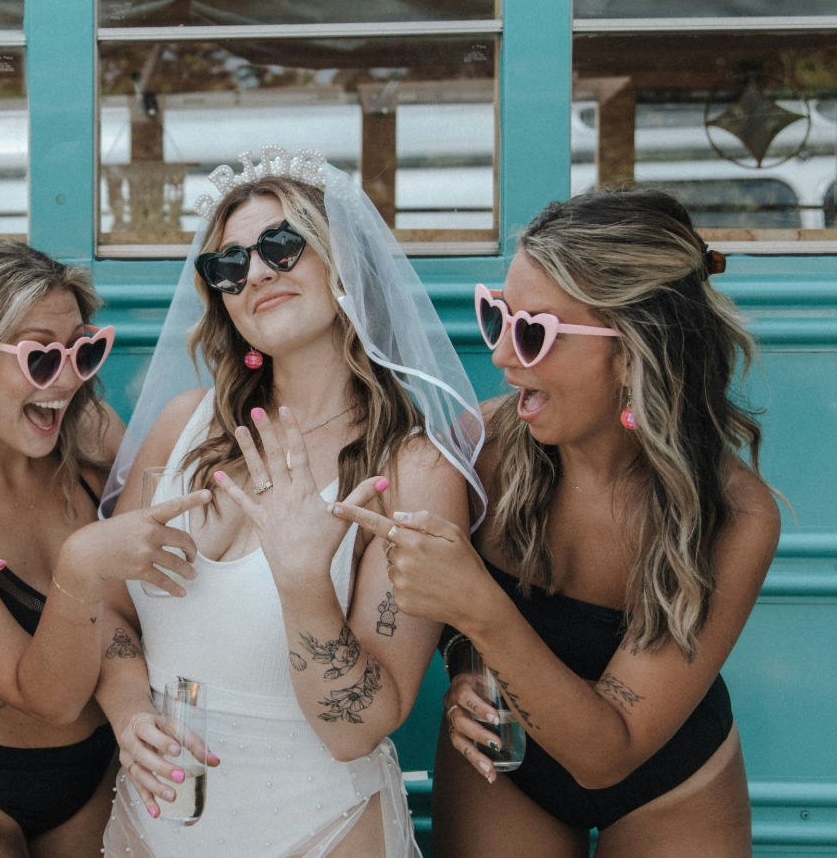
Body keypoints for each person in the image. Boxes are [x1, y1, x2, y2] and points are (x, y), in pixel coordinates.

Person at [332, 188, 781, 857]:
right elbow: (395, 641)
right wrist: (461, 665)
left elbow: (611, 753)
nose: (503, 357)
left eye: (534, 332)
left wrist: (479, 612)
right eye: (497, 317)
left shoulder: (735, 515)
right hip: (505, 762)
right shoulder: (475, 451)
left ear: (633, 351)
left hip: (671, 776)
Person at [94, 147, 485, 858]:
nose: (256, 274)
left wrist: (306, 581)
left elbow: (356, 727)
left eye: (280, 245)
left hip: (321, 829)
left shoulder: (411, 468)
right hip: (153, 824)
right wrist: (126, 711)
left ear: (342, 263)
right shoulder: (182, 424)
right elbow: (108, 606)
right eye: (228, 266)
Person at [0, 241, 211, 858]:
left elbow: (119, 623)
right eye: (42, 356)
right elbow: (46, 696)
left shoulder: (91, 438)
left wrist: (131, 712)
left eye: (83, 349)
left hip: (100, 771)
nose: (71, 378)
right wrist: (82, 564)